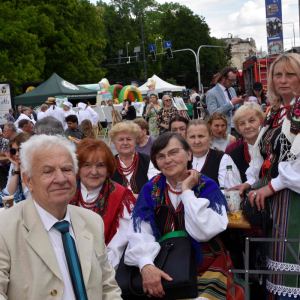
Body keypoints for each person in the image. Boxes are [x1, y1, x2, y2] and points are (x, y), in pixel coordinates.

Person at [0, 134, 122, 299]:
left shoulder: (92, 221)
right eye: (48, 171)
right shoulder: (5, 229)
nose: (61, 179)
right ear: (28, 180)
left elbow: (107, 286)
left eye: (66, 169)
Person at [125, 132, 245, 299]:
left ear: (189, 154)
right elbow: (139, 232)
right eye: (160, 156)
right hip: (165, 261)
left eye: (174, 152)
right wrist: (146, 264)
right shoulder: (150, 189)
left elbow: (204, 231)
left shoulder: (207, 186)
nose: (167, 160)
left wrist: (187, 192)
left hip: (206, 262)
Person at [238, 53, 300, 299]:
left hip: (293, 201)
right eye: (278, 75)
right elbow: (262, 156)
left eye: (290, 74)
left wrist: (271, 186)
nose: (283, 80)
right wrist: (249, 181)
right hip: (272, 202)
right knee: (271, 269)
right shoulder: (276, 111)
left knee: (290, 270)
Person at [70, 139, 136, 270]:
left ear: (108, 169)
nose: (94, 172)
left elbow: (117, 247)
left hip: (103, 270)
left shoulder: (121, 197)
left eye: (100, 165)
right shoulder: (66, 192)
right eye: (87, 165)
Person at [110, 121, 159, 198]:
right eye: (120, 139)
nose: (125, 143)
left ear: (136, 141)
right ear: (114, 142)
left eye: (129, 139)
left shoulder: (149, 161)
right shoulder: (109, 163)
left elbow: (155, 192)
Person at [227, 102, 265, 183]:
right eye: (242, 123)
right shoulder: (234, 156)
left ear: (261, 121)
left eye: (251, 120)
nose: (247, 126)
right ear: (238, 128)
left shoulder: (273, 147)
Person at [186, 119, 228, 187]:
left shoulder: (222, 159)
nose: (197, 141)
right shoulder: (181, 160)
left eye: (201, 136)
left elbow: (226, 190)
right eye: (192, 137)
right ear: (186, 139)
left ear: (210, 137)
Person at [206, 67, 244, 137]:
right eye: (231, 80)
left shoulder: (232, 90)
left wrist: (240, 102)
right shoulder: (211, 93)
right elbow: (213, 114)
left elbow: (235, 109)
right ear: (223, 78)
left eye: (234, 81)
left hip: (236, 128)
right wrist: (231, 103)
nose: (233, 83)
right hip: (223, 131)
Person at [0, 132, 31, 207]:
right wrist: (17, 167)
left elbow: (29, 197)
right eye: (13, 151)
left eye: (20, 150)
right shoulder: (16, 163)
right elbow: (10, 193)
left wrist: (23, 171)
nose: (17, 154)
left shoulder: (33, 164)